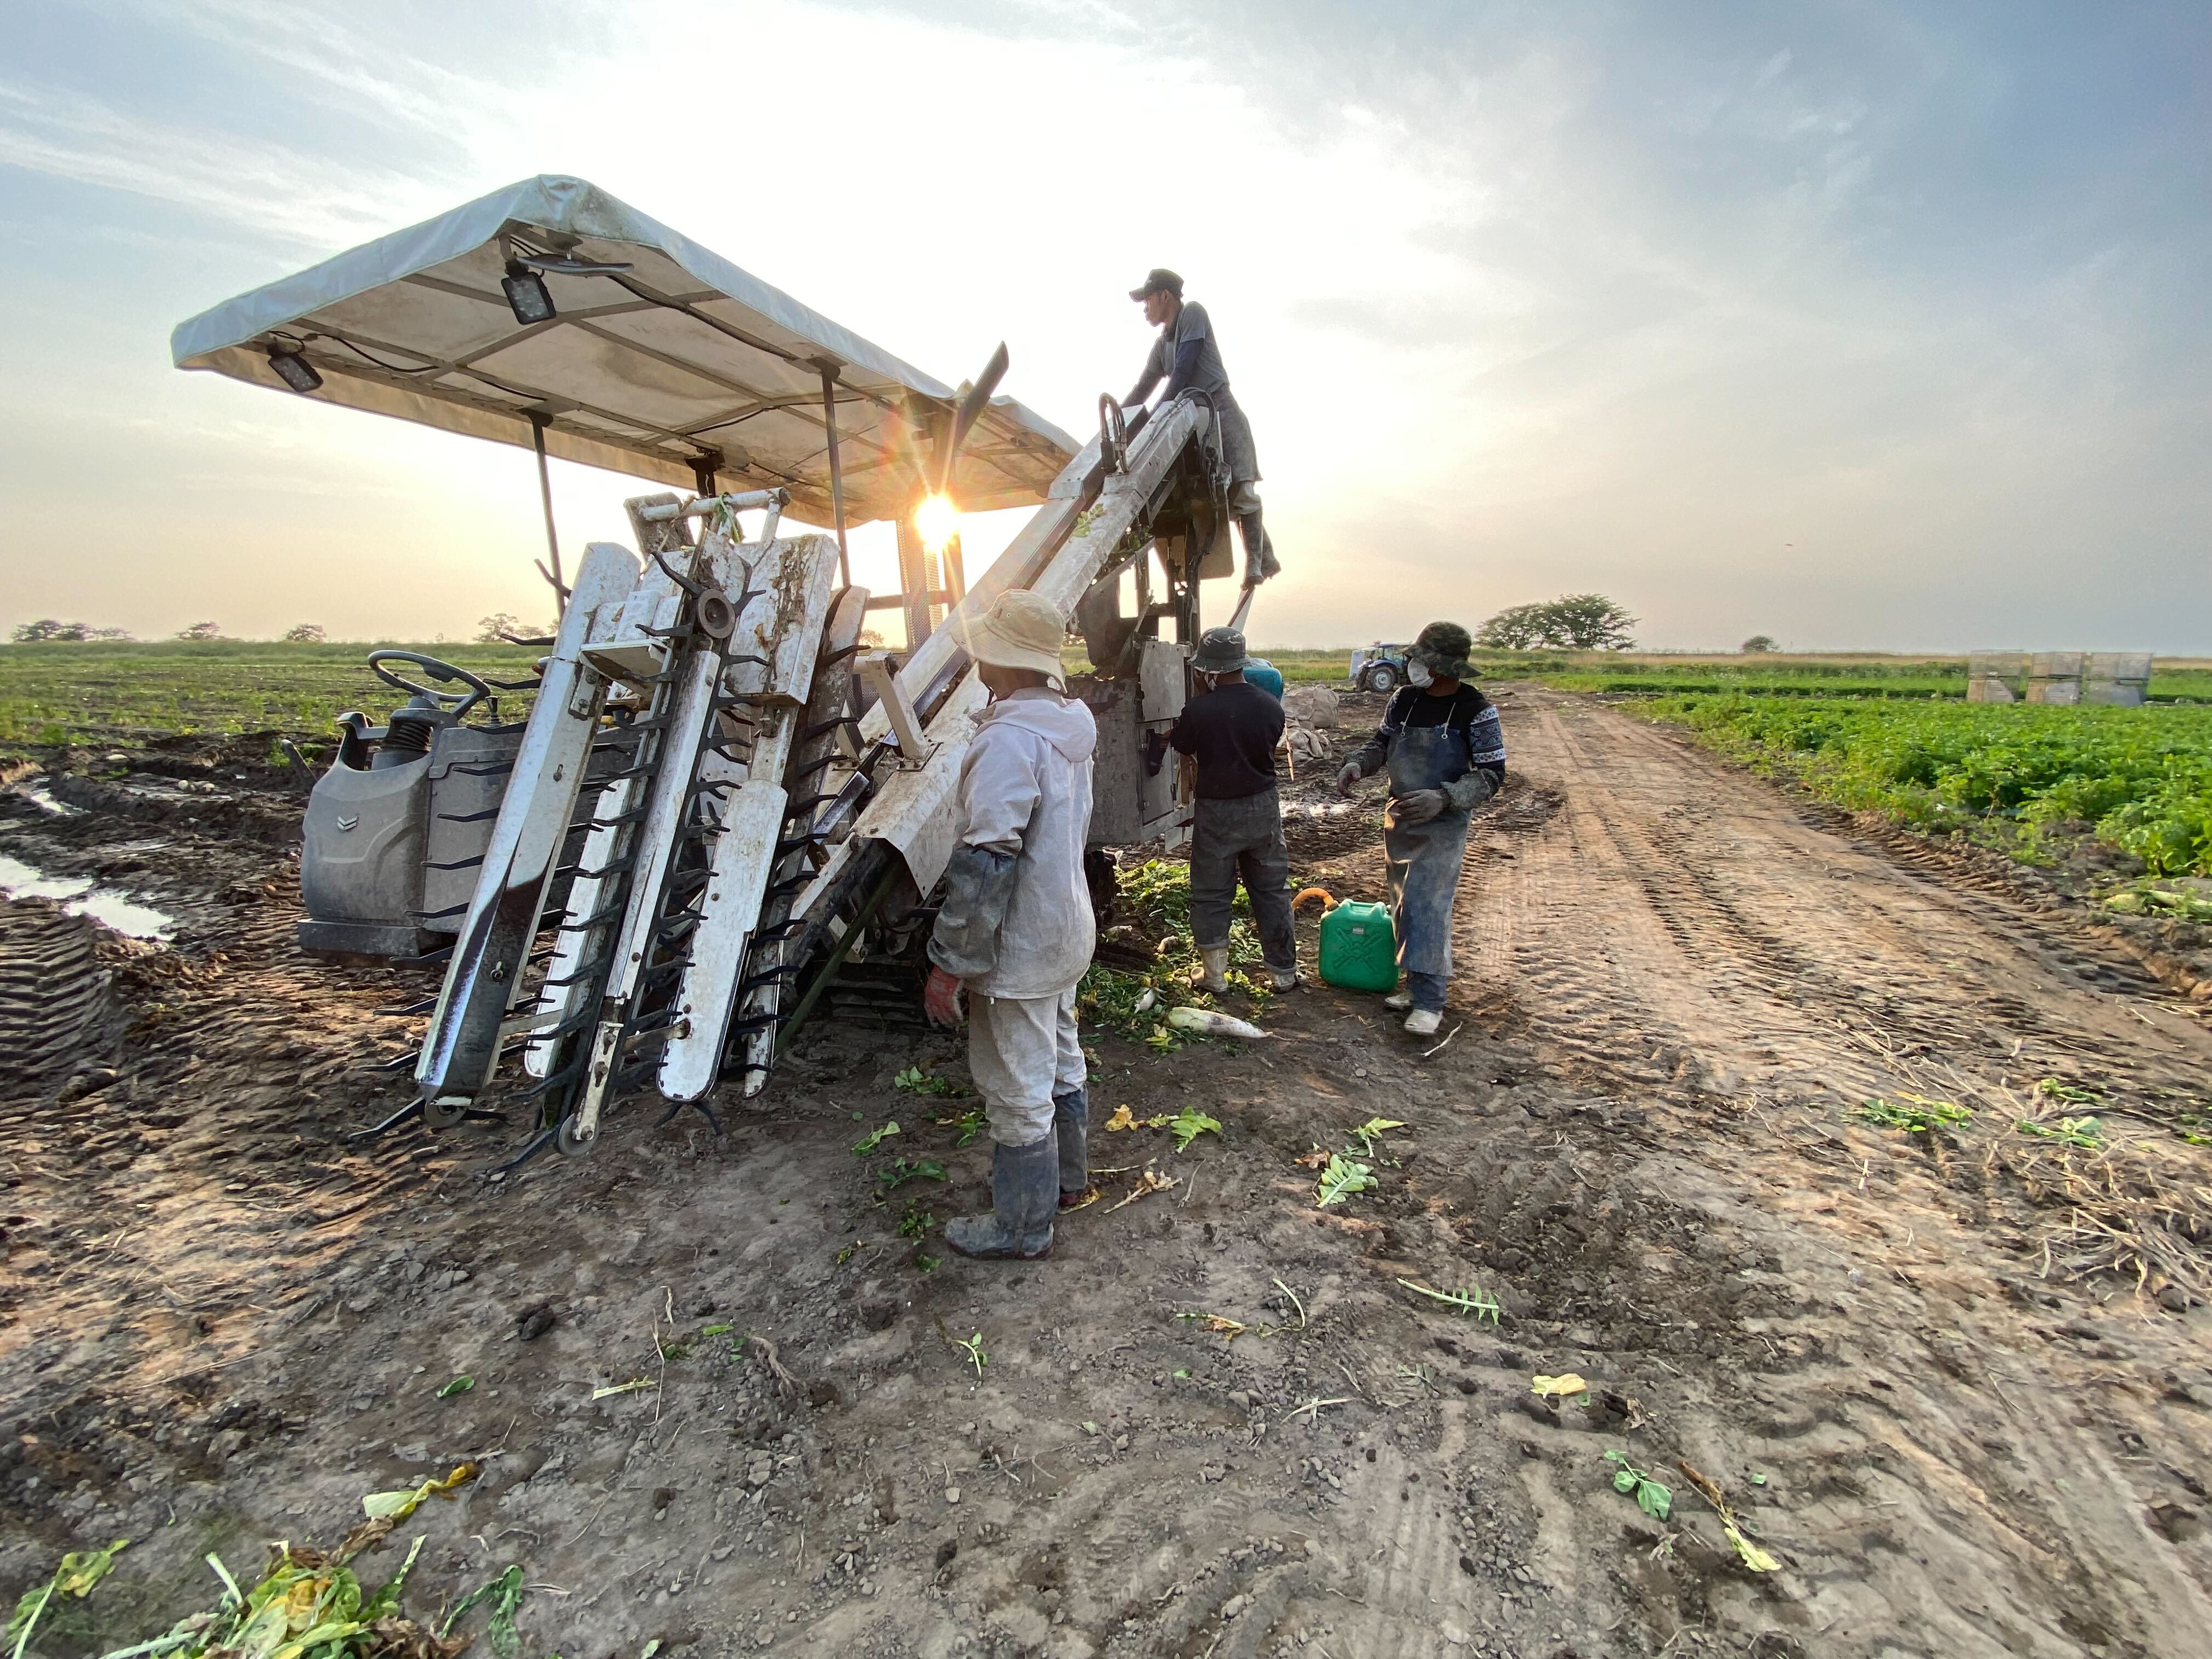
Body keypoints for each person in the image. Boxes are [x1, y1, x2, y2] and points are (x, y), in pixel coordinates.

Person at [923, 590, 1099, 1260]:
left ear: (1001, 661)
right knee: (1059, 1056)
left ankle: (1022, 1229)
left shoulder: (1008, 742)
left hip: (1021, 944)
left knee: (1015, 1083)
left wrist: (950, 965)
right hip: (1066, 928)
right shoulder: (1070, 724)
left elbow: (986, 863)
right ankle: (1068, 1184)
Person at [1335, 621, 1505, 1036]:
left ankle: (1431, 1002)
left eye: (1420, 660)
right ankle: (1414, 985)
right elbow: (1381, 744)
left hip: (1442, 823)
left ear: (1444, 666)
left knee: (1427, 905)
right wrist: (1360, 763)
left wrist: (1444, 798)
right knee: (1402, 903)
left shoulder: (1475, 709)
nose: (1412, 665)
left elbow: (1491, 774)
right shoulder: (1404, 700)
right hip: (1401, 817)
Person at [1124, 268, 1278, 585]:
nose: (1144, 308)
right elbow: (1143, 388)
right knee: (1217, 492)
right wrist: (1120, 426)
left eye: (1147, 300)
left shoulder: (1193, 314)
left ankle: (1257, 563)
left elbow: (1183, 370)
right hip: (1194, 422)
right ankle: (1269, 557)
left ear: (1164, 296)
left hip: (1221, 409)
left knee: (1243, 490)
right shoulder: (1161, 345)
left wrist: (1157, 418)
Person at [1169, 627, 1299, 996]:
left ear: (1208, 669)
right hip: (1263, 807)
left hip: (1217, 811)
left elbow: (1183, 745)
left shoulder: (1198, 710)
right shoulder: (1270, 707)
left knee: (1212, 891)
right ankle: (1283, 973)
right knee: (1272, 889)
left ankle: (1214, 976)